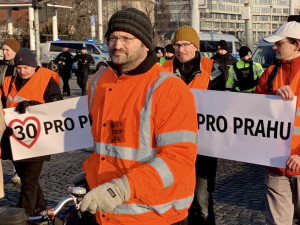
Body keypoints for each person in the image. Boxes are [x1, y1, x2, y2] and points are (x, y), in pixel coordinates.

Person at [79, 8, 198, 225]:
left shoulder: (168, 88)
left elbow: (178, 159)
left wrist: (122, 188)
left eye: (126, 38)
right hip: (107, 213)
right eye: (112, 37)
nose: (117, 45)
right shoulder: (98, 81)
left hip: (155, 214)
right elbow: (106, 145)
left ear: (145, 44)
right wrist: (91, 173)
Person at [161, 25, 225, 225]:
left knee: (202, 201)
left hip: (203, 148)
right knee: (174, 201)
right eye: (176, 45)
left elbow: (219, 107)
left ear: (195, 46)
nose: (180, 49)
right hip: (170, 148)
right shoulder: (162, 69)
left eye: (185, 45)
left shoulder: (213, 69)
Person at [1, 48, 62, 216]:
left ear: (34, 66)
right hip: (14, 139)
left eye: (26, 67)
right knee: (28, 178)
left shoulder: (47, 80)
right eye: (19, 68)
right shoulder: (8, 81)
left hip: (38, 140)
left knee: (29, 180)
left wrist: (35, 105)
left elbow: (57, 106)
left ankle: (25, 214)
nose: (22, 71)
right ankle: (41, 208)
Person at [255, 21, 300, 225]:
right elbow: (252, 112)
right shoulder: (269, 73)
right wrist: (272, 96)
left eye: (279, 43)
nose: (274, 47)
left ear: (296, 45)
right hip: (274, 163)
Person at [0, 38, 22, 186]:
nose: (4, 52)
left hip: (15, 109)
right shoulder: (1, 66)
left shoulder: (20, 66)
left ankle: (18, 170)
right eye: (3, 49)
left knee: (17, 140)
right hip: (2, 106)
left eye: (7, 50)